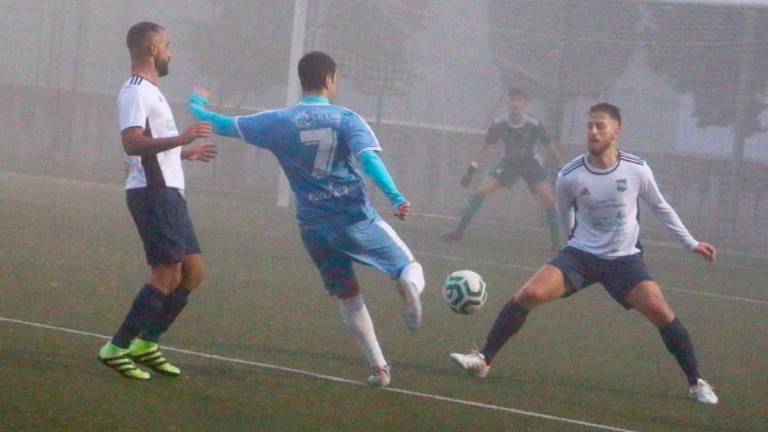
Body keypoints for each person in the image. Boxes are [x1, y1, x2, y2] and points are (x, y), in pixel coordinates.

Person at [450, 103, 719, 405]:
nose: (592, 131)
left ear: (616, 130)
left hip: (624, 259)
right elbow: (566, 216)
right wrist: (574, 245)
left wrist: (691, 243)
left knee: (659, 310)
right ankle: (483, 360)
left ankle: (696, 382)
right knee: (529, 294)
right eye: (589, 125)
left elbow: (660, 206)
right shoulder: (570, 174)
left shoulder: (636, 169)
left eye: (600, 125)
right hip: (580, 255)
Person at [186, 51, 425, 387]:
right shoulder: (346, 119)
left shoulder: (278, 120)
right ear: (329, 80)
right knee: (409, 267)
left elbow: (219, 124)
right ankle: (409, 287)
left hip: (314, 229)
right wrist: (396, 197)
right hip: (354, 219)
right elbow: (368, 160)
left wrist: (196, 102)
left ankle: (379, 368)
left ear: (303, 80)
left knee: (348, 295)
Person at [98, 22, 217, 380]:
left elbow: (151, 147)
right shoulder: (135, 91)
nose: (171, 52)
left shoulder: (151, 90)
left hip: (168, 190)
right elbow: (132, 143)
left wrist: (184, 153)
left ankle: (146, 343)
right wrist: (181, 138)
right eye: (167, 45)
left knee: (193, 272)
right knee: (166, 274)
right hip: (152, 193)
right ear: (151, 50)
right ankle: (117, 347)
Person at [442, 88, 563, 251]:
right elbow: (485, 148)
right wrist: (470, 171)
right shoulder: (499, 124)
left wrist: (563, 169)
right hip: (508, 163)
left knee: (549, 199)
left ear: (525, 104)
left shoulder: (534, 124)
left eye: (519, 100)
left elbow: (550, 147)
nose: (515, 104)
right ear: (507, 102)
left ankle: (556, 244)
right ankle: (458, 232)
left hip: (530, 163)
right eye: (512, 100)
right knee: (481, 191)